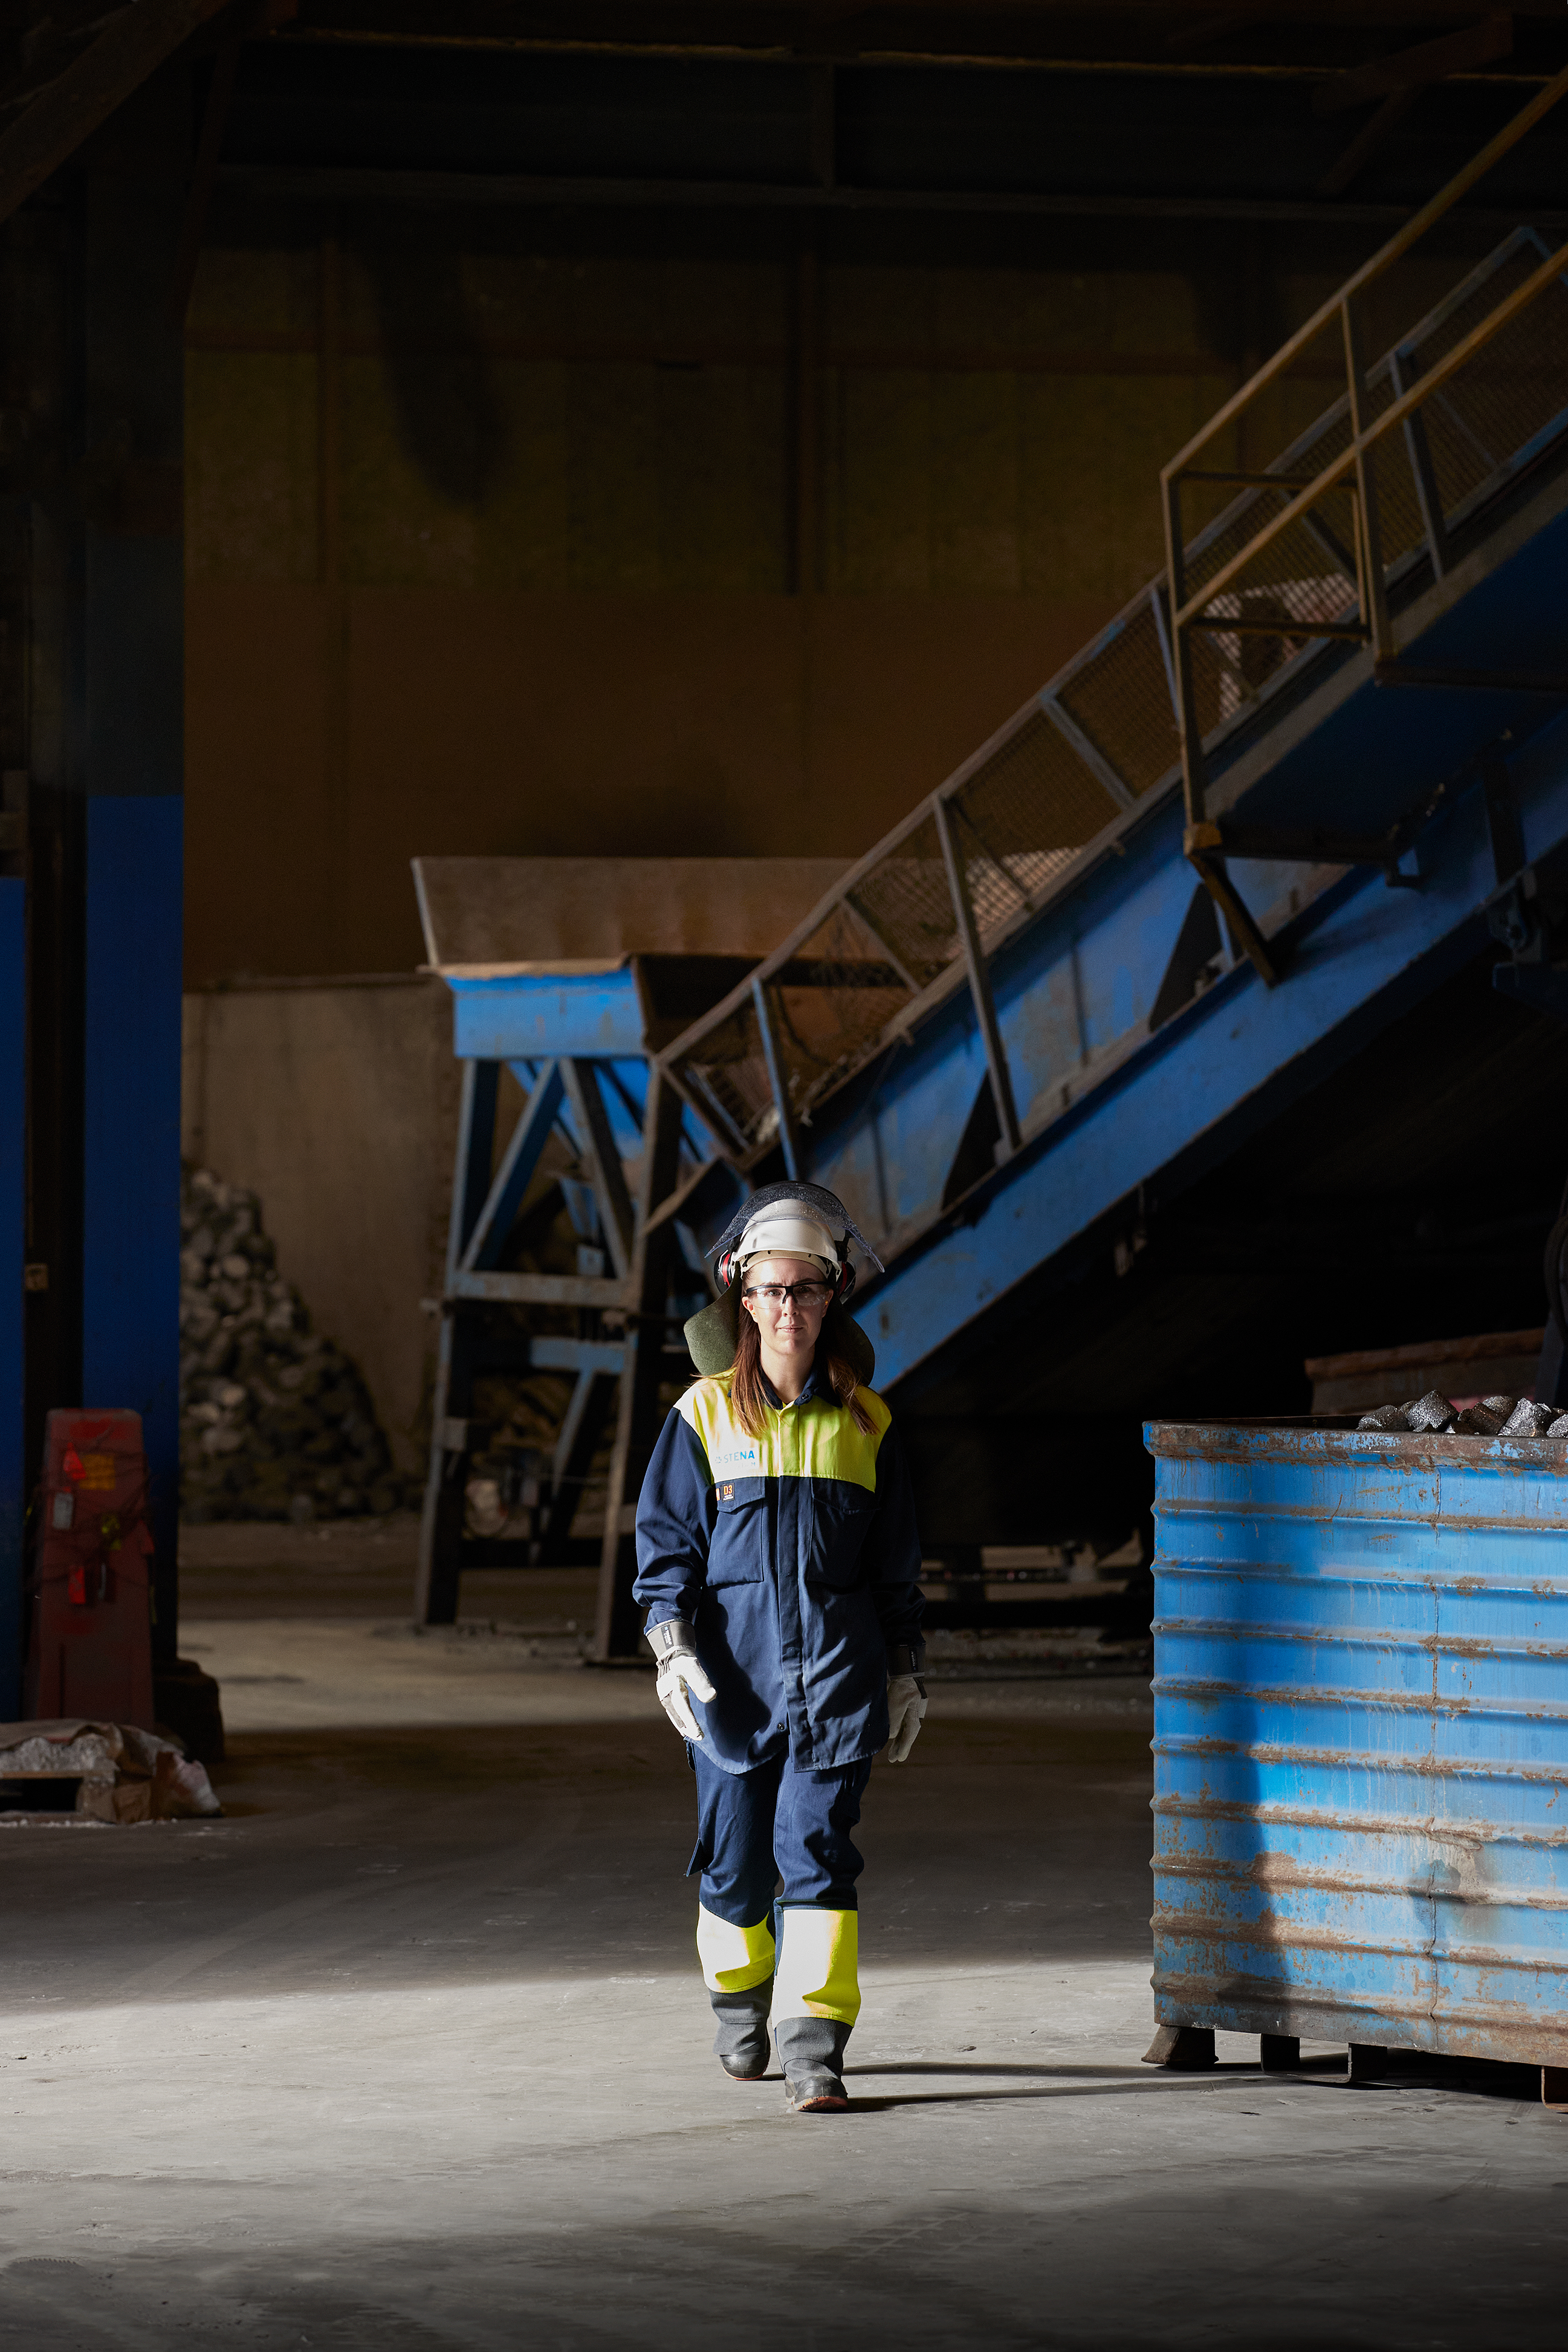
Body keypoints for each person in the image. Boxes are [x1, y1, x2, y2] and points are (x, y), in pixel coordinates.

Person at [633, 1182, 927, 2113]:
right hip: (731, 1688)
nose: (788, 1307)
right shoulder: (702, 1417)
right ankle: (737, 2005)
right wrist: (672, 1649)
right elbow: (666, 1550)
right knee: (735, 1865)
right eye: (771, 1290)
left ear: (830, 1296)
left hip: (837, 1682)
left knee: (817, 1854)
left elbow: (894, 1570)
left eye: (806, 1289)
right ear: (742, 1298)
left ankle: (813, 2047)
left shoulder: (868, 1425)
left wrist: (907, 1671)